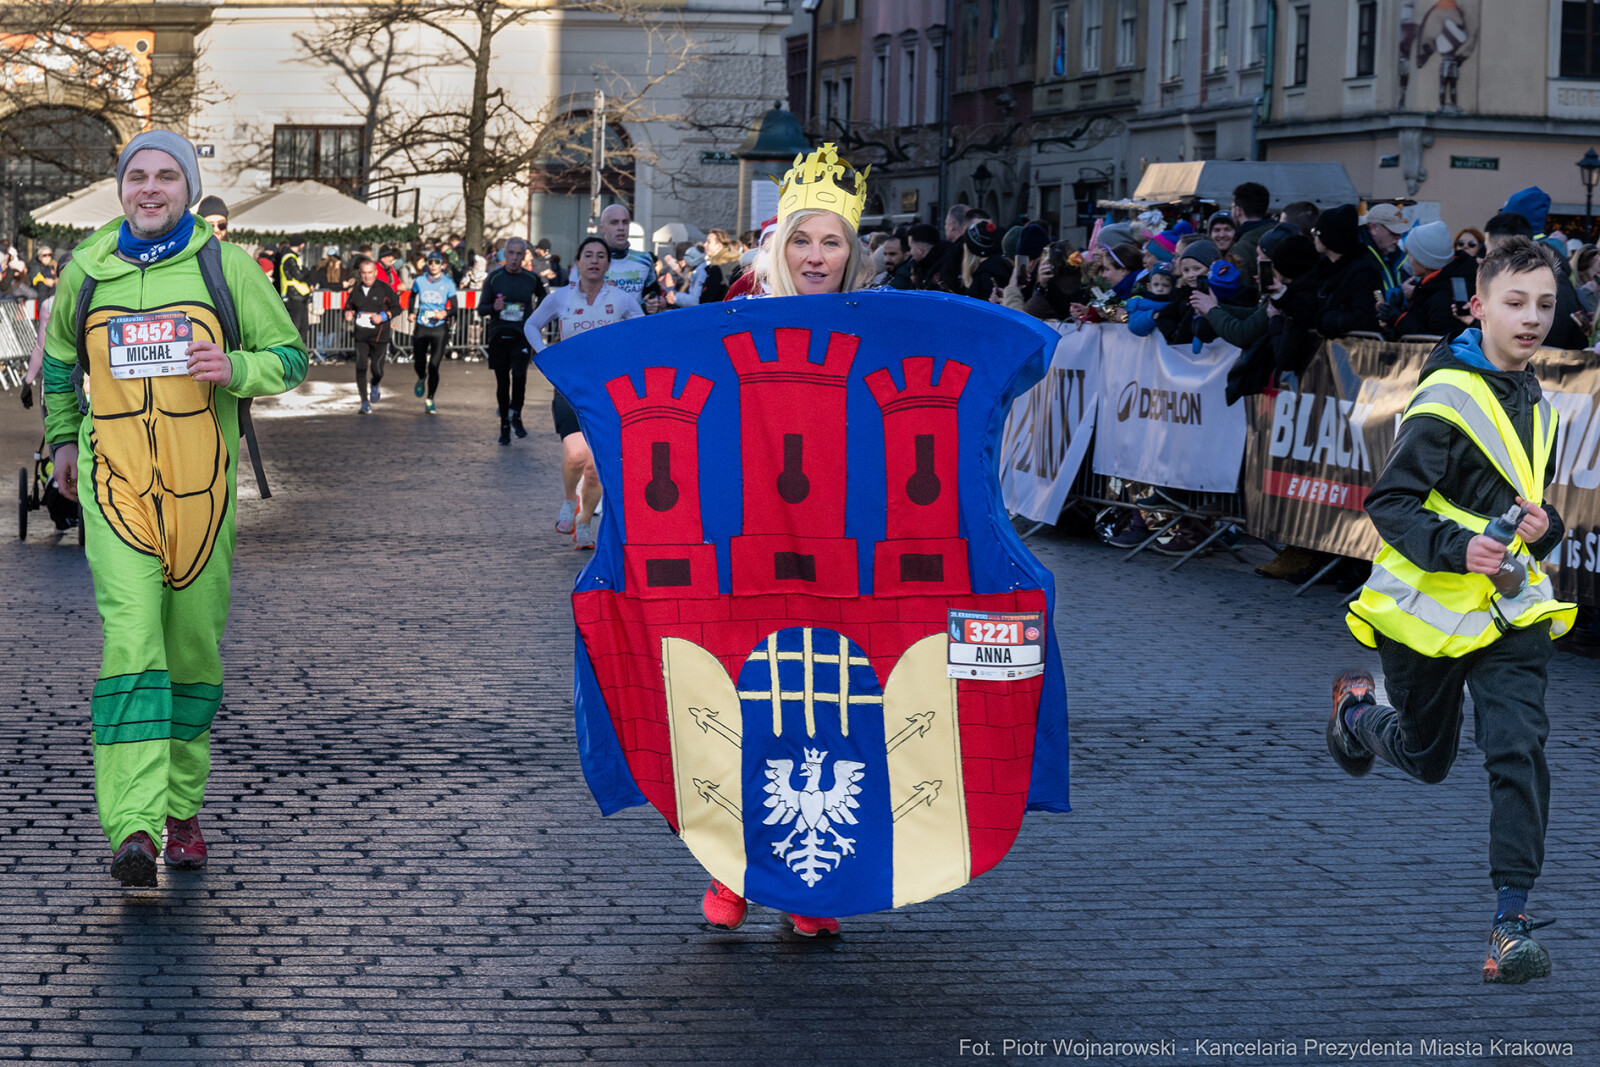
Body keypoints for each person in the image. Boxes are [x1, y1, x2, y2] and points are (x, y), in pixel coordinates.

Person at [40, 129, 307, 886]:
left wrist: (238, 365)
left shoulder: (227, 267)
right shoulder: (86, 268)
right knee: (132, 646)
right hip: (115, 487)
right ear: (120, 188)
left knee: (190, 656)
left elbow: (289, 354)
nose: (149, 189)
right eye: (137, 177)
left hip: (203, 494)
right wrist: (63, 441)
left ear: (187, 189)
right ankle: (132, 825)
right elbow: (61, 362)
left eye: (165, 177)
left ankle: (181, 806)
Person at [1333, 236, 1577, 984]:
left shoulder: (1536, 396)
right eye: (1515, 303)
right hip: (1429, 611)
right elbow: (1391, 503)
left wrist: (1549, 529)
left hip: (1510, 610)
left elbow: (1530, 506)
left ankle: (1511, 921)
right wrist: (1456, 548)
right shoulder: (1443, 398)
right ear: (1478, 306)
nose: (1531, 318)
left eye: (1544, 304)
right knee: (1428, 756)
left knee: (1518, 748)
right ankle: (1355, 715)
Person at [699, 144, 879, 940]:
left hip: (844, 546)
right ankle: (732, 869)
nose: (816, 255)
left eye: (831, 240)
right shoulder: (737, 308)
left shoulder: (884, 319)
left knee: (836, 712)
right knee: (745, 706)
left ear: (852, 251)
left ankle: (816, 875)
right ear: (780, 245)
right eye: (803, 239)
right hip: (749, 540)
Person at [523, 235, 645, 549]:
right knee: (576, 454)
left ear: (608, 263)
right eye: (587, 255)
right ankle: (568, 501)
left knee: (596, 463)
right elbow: (531, 326)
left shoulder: (621, 299)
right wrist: (546, 355)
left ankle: (585, 522)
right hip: (570, 385)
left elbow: (643, 334)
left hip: (608, 390)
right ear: (578, 262)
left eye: (600, 256)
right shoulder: (560, 297)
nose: (594, 261)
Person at [479, 235, 547, 444]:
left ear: (524, 256)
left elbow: (545, 300)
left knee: (519, 375)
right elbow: (481, 309)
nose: (515, 258)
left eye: (519, 254)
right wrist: (493, 308)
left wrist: (536, 317)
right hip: (499, 335)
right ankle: (505, 426)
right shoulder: (493, 278)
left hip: (521, 335)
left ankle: (515, 412)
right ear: (505, 254)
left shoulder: (531, 278)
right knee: (502, 380)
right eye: (511, 253)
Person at [1381, 220, 1476, 340]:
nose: (1408, 260)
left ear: (1425, 261)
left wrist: (1399, 319)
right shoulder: (1433, 283)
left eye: (1411, 255)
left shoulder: (1444, 294)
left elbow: (1435, 342)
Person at [575, 204, 660, 311]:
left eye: (625, 222)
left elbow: (652, 290)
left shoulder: (644, 259)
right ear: (602, 228)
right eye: (614, 223)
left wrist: (652, 301)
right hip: (604, 325)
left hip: (635, 326)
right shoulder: (590, 262)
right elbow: (574, 302)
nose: (621, 228)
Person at [344, 258, 397, 414]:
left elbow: (397, 308)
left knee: (377, 369)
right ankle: (364, 402)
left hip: (380, 336)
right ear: (360, 274)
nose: (367, 276)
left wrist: (384, 316)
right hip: (361, 336)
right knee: (360, 367)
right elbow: (349, 306)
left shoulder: (384, 289)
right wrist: (348, 313)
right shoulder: (356, 290)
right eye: (364, 273)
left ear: (375, 273)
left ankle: (375, 384)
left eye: (369, 273)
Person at [409, 251, 458, 413]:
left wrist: (445, 313)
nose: (434, 265)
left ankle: (430, 398)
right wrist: (411, 312)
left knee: (434, 365)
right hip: (422, 326)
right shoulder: (420, 280)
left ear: (442, 265)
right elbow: (412, 296)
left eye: (437, 262)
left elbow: (455, 307)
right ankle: (421, 377)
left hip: (439, 328)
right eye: (430, 262)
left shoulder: (448, 283)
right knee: (419, 362)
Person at [1361, 202, 1410, 302]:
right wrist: (1401, 293)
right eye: (1393, 232)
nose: (1399, 237)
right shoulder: (1359, 259)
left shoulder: (1397, 256)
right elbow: (1366, 302)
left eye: (1400, 232)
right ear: (1374, 228)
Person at [277, 233, 314, 353]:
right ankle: (293, 353)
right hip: (294, 296)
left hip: (298, 296)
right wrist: (308, 271)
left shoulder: (292, 257)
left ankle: (298, 353)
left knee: (302, 327)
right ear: (300, 244)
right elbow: (299, 275)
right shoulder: (290, 257)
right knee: (296, 328)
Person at [1227, 181, 1274, 269]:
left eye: (1232, 207)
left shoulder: (1241, 248)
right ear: (1266, 210)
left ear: (1238, 211)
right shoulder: (1281, 236)